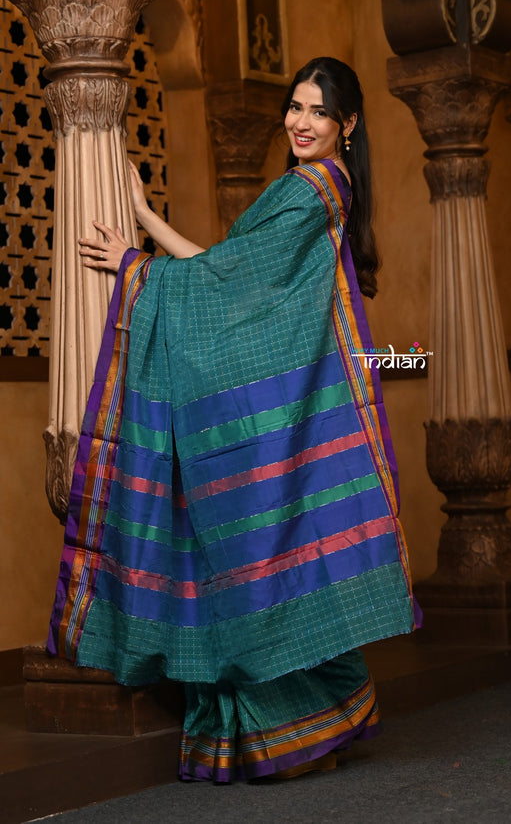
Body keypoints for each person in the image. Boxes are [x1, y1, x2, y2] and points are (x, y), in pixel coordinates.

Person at [47, 57, 420, 783]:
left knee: (258, 555)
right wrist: (146, 225)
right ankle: (319, 726)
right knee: (273, 553)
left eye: (317, 112)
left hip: (273, 408)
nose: (300, 122)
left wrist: (135, 268)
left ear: (347, 124)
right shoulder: (319, 190)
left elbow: (224, 286)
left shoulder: (313, 191)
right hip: (279, 403)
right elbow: (227, 272)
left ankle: (301, 732)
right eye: (295, 107)